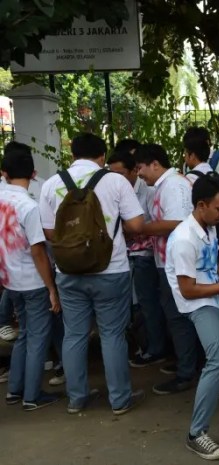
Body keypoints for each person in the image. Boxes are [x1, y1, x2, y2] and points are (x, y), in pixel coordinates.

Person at [39, 133, 146, 415]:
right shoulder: (115, 181)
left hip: (68, 271)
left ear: (72, 155)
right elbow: (136, 224)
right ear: (102, 157)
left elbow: (49, 232)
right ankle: (120, 400)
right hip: (110, 269)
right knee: (112, 334)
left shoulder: (51, 184)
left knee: (74, 334)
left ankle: (77, 399)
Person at [165, 173, 219, 460]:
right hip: (198, 302)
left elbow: (212, 265)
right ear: (201, 205)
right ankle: (196, 433)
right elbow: (189, 290)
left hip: (215, 293)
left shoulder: (208, 227)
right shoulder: (183, 239)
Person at [1, 142, 61, 410]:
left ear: (4, 173)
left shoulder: (2, 200)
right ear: (34, 174)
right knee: (37, 337)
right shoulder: (28, 206)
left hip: (10, 280)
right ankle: (32, 396)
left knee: (25, 334)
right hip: (33, 281)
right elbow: (38, 250)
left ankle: (15, 389)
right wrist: (51, 287)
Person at [134, 144, 198, 395]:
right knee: (175, 315)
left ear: (155, 164)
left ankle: (186, 372)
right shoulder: (162, 186)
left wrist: (141, 228)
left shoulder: (173, 185)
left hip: (177, 264)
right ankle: (186, 362)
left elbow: (178, 223)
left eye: (140, 168)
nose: (139, 174)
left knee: (179, 316)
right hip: (167, 262)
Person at [107, 146, 167, 368]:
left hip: (145, 254)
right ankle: (143, 344)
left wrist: (131, 227)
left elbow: (145, 224)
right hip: (122, 255)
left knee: (147, 303)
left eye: (120, 174)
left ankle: (156, 348)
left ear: (134, 171)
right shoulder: (112, 190)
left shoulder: (150, 190)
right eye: (111, 174)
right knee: (131, 306)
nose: (115, 178)